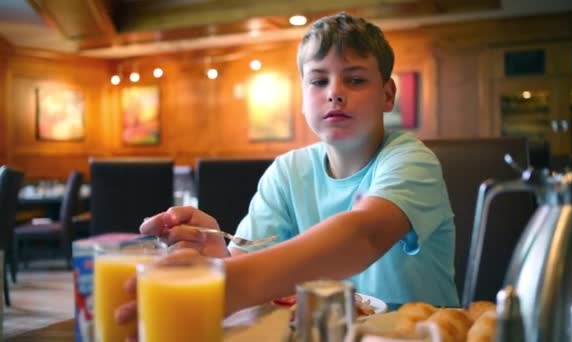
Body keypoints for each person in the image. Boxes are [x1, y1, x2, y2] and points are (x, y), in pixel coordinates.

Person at [116, 11, 459, 328]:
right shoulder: (288, 170)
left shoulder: (412, 160)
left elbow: (362, 236)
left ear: (387, 94)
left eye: (355, 80)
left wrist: (225, 283)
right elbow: (253, 266)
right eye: (318, 81)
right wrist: (218, 254)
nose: (335, 93)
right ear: (302, 96)